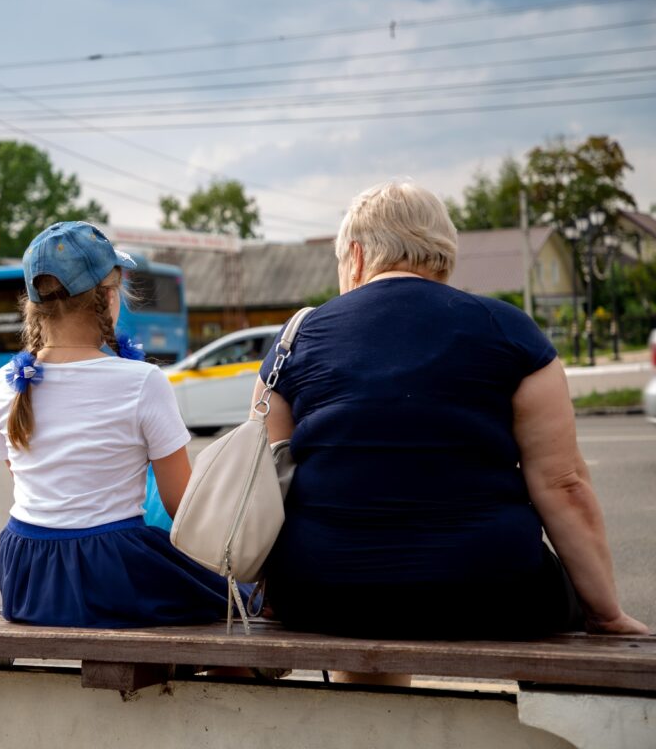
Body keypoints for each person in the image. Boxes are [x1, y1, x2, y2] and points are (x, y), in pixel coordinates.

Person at [253, 181, 648, 652]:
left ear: (355, 256)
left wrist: (275, 589)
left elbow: (265, 479)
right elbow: (563, 484)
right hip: (495, 592)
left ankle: (379, 712)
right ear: (442, 254)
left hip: (320, 594)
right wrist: (606, 614)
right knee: (561, 612)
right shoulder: (509, 331)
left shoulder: (296, 340)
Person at [0, 221, 236, 628]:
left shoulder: (7, 381)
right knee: (232, 601)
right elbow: (183, 508)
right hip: (108, 572)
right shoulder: (141, 381)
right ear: (108, 297)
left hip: (25, 574)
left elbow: (26, 477)